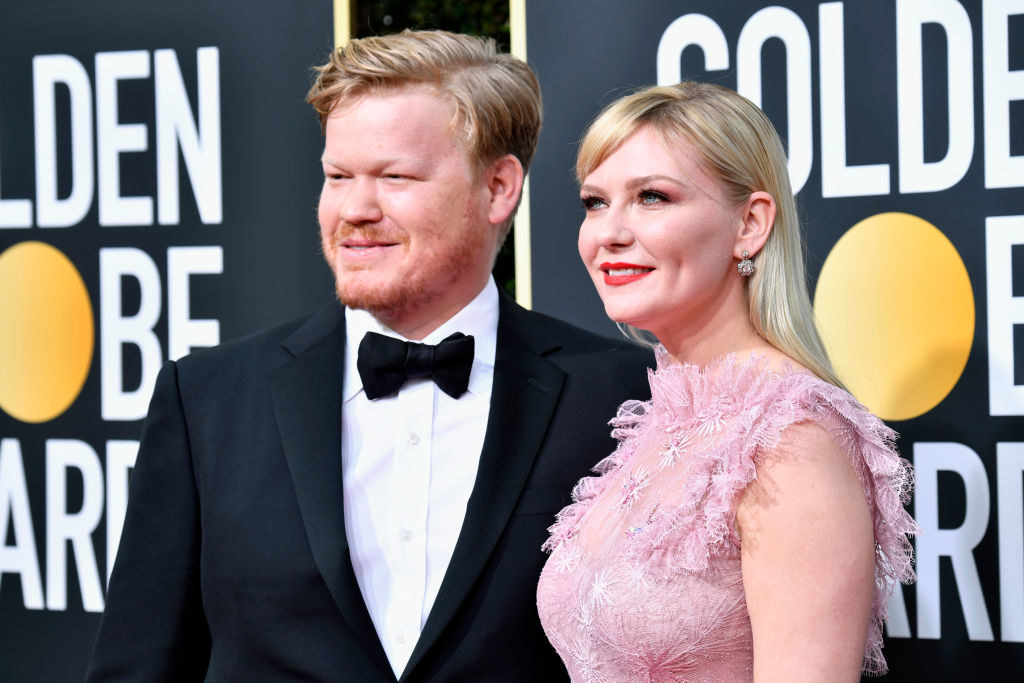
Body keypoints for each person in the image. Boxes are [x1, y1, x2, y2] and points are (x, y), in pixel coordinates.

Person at [86, 30, 651, 682]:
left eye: (394, 177)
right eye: (337, 176)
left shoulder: (621, 394)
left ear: (499, 188)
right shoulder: (207, 399)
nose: (354, 208)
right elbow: (137, 665)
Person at [536, 82, 920, 681]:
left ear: (750, 223)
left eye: (652, 197)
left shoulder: (793, 440)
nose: (607, 232)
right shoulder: (657, 422)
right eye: (594, 201)